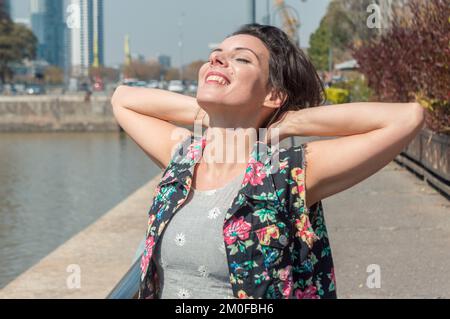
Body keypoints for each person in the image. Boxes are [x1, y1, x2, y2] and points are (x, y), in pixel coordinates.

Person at [111, 24, 425, 299]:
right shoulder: (182, 157)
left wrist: (291, 122)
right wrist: (208, 113)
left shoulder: (286, 173)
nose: (216, 59)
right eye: (217, 54)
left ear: (273, 94)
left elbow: (406, 117)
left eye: (241, 58)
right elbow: (123, 99)